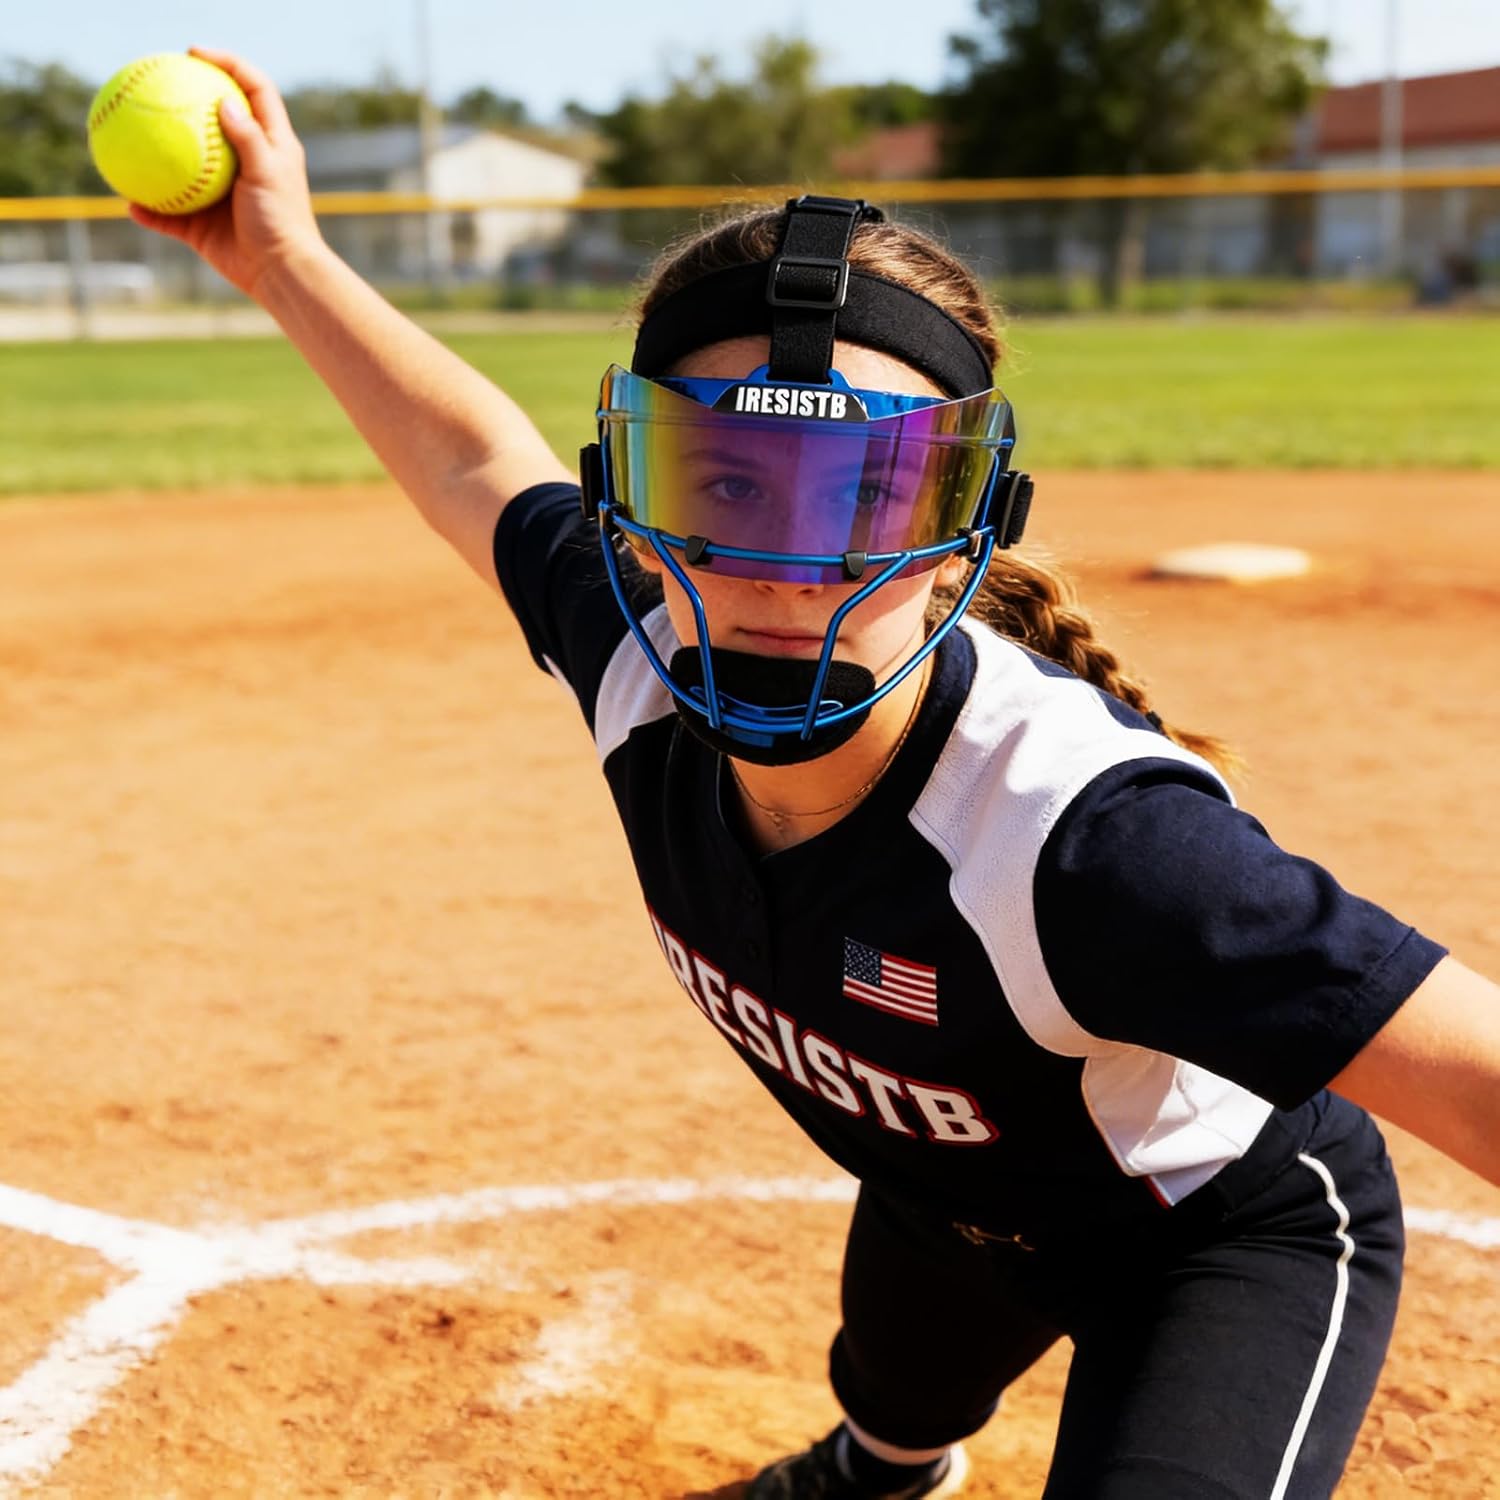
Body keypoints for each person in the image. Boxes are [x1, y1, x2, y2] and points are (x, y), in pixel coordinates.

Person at [134, 50, 1500, 1500]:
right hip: (945, 1196)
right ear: (630, 500)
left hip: (1211, 1232)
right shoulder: (636, 647)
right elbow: (475, 461)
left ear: (967, 529)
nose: (789, 572)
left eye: (867, 493)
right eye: (727, 481)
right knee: (887, 1421)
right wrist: (279, 256)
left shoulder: (1085, 842)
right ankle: (880, 1468)